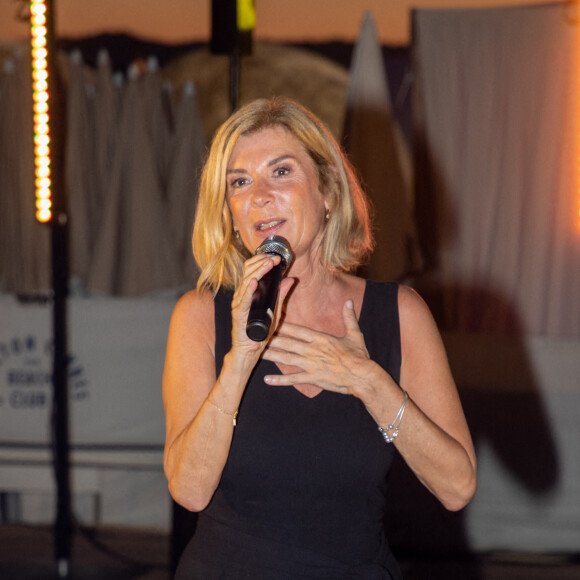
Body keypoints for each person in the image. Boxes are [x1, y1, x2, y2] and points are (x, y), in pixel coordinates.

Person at [163, 97, 477, 579]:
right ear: (228, 212)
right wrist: (240, 360)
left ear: (327, 189)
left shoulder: (399, 314)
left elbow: (457, 487)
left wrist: (368, 381)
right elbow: (189, 490)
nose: (259, 196)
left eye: (281, 172)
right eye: (239, 182)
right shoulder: (201, 315)